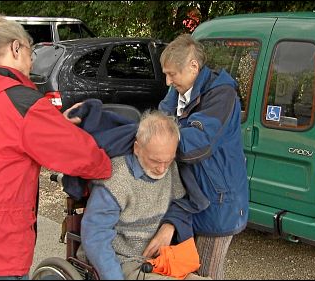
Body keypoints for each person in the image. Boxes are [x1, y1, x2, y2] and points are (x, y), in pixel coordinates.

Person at [0, 16, 111, 280]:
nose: (33, 60)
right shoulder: (22, 102)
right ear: (15, 48)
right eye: (31, 51)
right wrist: (108, 166)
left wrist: (54, 123)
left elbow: (3, 137)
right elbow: (79, 153)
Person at [155, 34, 249, 279]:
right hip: (192, 196)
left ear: (193, 66)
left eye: (172, 74)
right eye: (165, 74)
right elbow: (159, 122)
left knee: (206, 274)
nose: (168, 81)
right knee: (184, 268)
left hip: (219, 201)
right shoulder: (178, 91)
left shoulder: (222, 95)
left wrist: (154, 140)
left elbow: (194, 145)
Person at [81, 110, 209, 280]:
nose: (162, 169)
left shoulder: (171, 169)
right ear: (137, 148)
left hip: (161, 259)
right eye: (155, 161)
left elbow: (181, 204)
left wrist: (170, 225)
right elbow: (95, 235)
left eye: (168, 160)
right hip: (124, 261)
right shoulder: (116, 179)